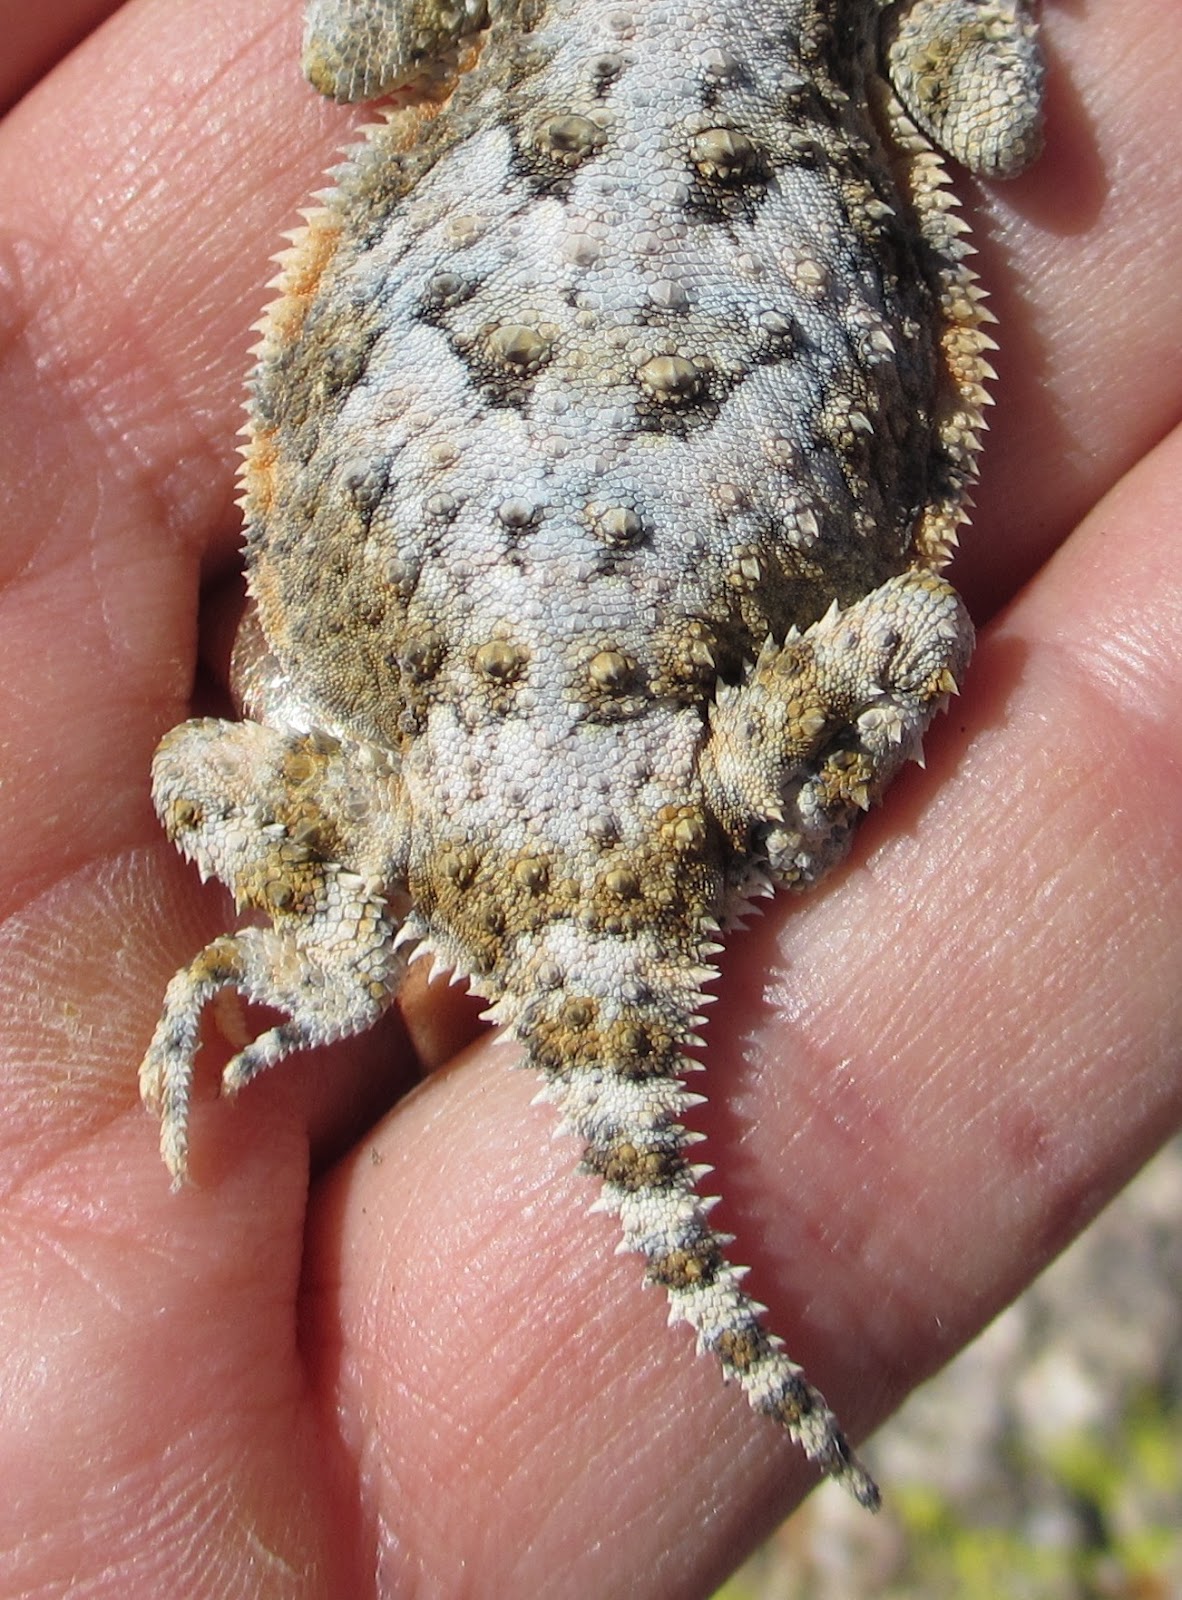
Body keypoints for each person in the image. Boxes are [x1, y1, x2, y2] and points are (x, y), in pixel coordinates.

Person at [0, 2, 1178, 1592]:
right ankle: (533, 892)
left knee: (205, 756)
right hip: (593, 725)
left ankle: (340, 941)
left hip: (423, 735)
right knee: (900, 628)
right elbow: (990, 113)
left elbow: (348, 54)